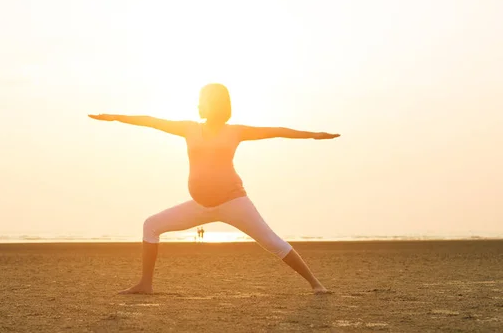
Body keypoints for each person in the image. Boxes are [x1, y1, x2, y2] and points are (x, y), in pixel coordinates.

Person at [88, 83, 340, 295]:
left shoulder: (236, 131)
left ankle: (316, 284)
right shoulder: (188, 128)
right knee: (151, 225)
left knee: (273, 243)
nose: (198, 104)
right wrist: (114, 117)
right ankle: (145, 284)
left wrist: (314, 135)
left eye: (203, 100)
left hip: (234, 203)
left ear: (216, 104)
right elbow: (151, 122)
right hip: (200, 205)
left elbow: (276, 132)